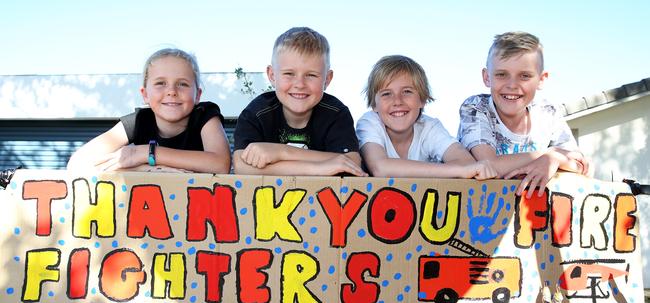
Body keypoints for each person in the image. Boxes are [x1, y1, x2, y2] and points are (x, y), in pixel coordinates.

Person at [457, 31, 590, 197]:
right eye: (501, 74)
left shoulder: (548, 112)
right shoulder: (476, 107)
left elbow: (581, 165)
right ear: (487, 77)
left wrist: (555, 160)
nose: (512, 85)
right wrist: (547, 155)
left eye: (524, 76)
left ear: (541, 79)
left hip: (530, 213)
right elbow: (490, 165)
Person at [67, 48, 231, 174]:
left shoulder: (205, 115)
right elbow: (78, 162)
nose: (171, 91)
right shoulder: (138, 121)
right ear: (145, 94)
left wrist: (145, 153)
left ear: (197, 95)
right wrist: (146, 169)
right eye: (160, 83)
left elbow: (220, 164)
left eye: (183, 84)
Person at [233, 27, 366, 176]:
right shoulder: (256, 113)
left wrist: (281, 152)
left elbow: (352, 162)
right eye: (289, 73)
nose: (300, 84)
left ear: (327, 79)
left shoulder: (336, 113)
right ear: (272, 75)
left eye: (311, 75)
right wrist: (320, 168)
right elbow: (240, 165)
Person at [356, 55, 496, 179]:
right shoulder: (369, 123)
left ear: (422, 100)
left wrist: (462, 169)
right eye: (387, 94)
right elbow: (381, 168)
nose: (397, 101)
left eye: (407, 91)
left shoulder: (429, 127)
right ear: (374, 105)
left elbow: (467, 163)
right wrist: (457, 170)